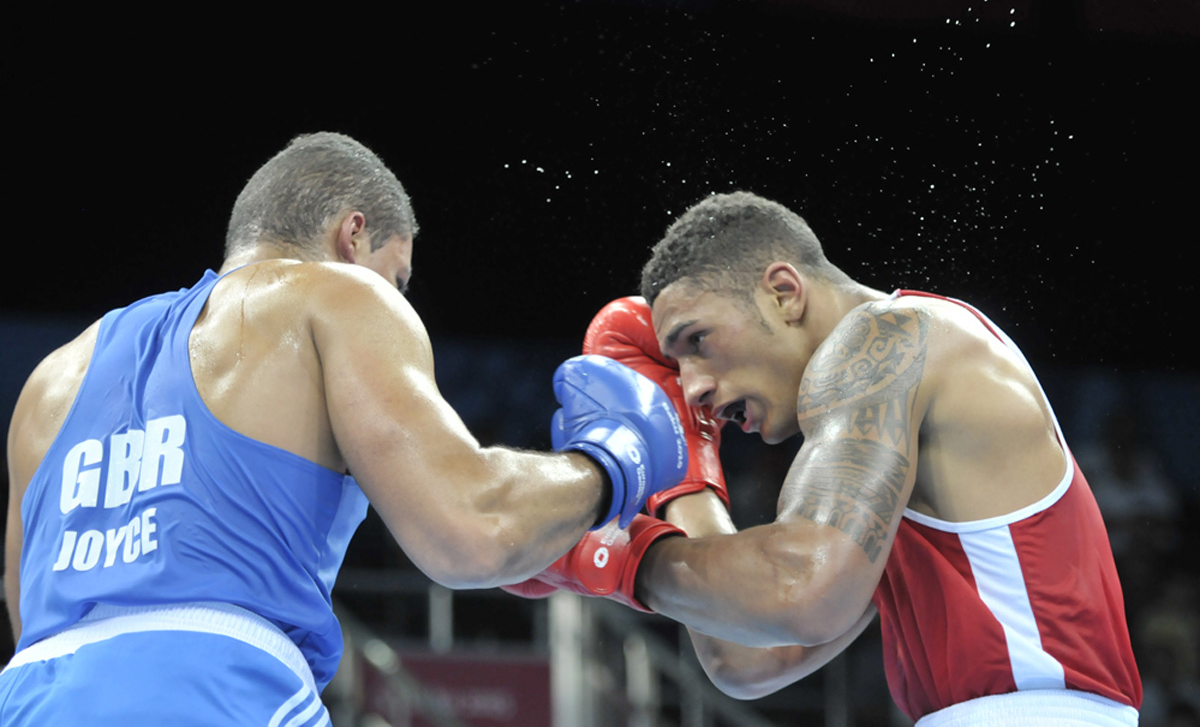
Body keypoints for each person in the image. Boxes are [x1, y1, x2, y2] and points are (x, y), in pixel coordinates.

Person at [0, 132, 686, 725]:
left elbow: (26, 612)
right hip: (221, 690)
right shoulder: (335, 295)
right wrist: (611, 461)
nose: (396, 298)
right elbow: (473, 530)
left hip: (30, 696)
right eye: (399, 276)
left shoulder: (53, 378)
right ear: (352, 235)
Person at [507, 191, 1143, 726]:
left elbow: (799, 592)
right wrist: (683, 476)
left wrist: (609, 551)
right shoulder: (877, 465)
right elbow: (748, 656)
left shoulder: (893, 335)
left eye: (698, 340)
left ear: (784, 292)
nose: (694, 386)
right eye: (679, 365)